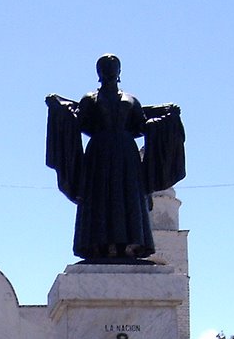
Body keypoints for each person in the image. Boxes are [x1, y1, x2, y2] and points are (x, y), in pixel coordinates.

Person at [45, 54, 185, 261]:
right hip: (98, 155)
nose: (108, 71)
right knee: (99, 197)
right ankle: (100, 246)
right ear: (98, 72)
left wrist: (165, 120)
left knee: (127, 197)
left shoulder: (130, 100)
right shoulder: (89, 99)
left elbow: (141, 125)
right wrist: (60, 110)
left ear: (119, 72)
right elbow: (78, 122)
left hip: (126, 155)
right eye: (104, 68)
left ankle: (128, 245)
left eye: (112, 67)